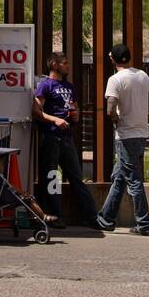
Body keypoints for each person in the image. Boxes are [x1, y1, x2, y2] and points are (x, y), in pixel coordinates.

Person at [95, 44, 149, 236]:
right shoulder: (143, 76)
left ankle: (145, 224)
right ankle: (106, 218)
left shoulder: (115, 80)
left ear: (112, 59)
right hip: (141, 133)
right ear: (129, 58)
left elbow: (110, 109)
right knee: (120, 178)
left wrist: (117, 121)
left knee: (134, 180)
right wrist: (141, 113)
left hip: (125, 135)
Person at [34, 52, 99, 229]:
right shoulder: (45, 85)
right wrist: (54, 119)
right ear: (54, 64)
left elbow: (75, 108)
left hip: (67, 137)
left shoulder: (69, 86)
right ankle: (55, 215)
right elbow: (36, 110)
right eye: (65, 63)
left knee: (76, 177)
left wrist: (76, 115)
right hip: (51, 136)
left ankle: (92, 216)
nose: (68, 66)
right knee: (52, 177)